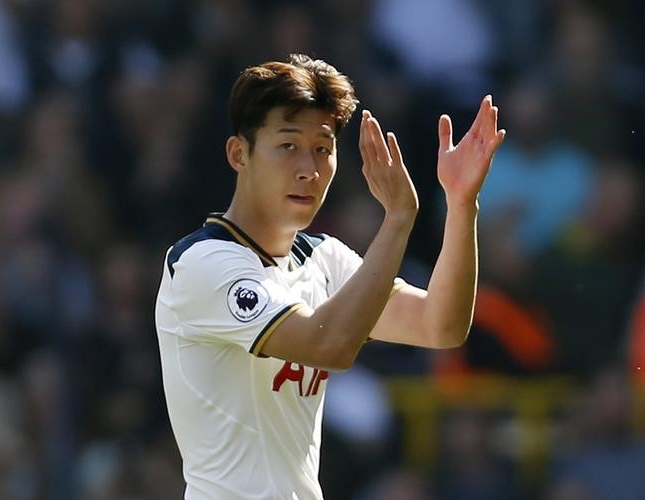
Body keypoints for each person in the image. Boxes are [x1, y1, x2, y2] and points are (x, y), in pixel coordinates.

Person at [154, 53, 505, 499]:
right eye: (288, 146)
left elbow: (442, 325)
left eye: (322, 148)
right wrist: (398, 221)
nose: (309, 169)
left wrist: (461, 205)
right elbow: (329, 345)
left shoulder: (324, 260)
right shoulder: (202, 263)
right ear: (239, 154)